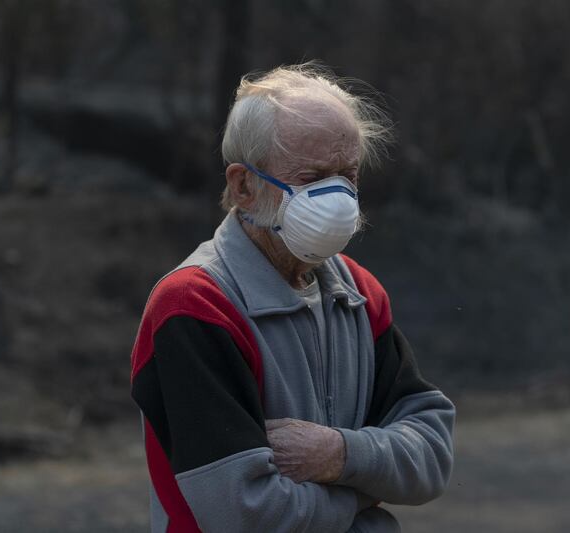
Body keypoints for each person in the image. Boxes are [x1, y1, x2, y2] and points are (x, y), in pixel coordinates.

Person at [130, 64, 455, 532]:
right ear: (243, 186)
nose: (338, 198)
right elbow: (246, 514)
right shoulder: (194, 306)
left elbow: (433, 453)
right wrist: (368, 492)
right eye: (312, 177)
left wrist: (338, 455)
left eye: (348, 175)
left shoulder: (360, 293)